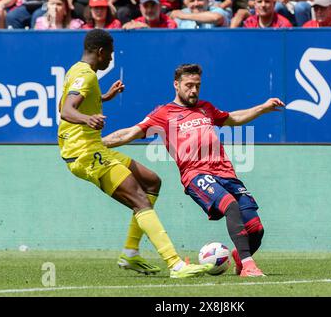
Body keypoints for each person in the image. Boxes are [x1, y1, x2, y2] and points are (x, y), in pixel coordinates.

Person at [102, 64, 286, 277]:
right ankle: (248, 266)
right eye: (189, 85)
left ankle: (238, 257)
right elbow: (129, 133)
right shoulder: (163, 114)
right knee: (230, 205)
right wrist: (99, 143)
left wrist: (262, 107)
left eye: (197, 86)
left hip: (226, 173)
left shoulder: (206, 107)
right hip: (195, 175)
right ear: (176, 85)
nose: (194, 91)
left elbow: (233, 118)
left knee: (255, 228)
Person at [58, 30, 212, 278]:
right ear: (100, 52)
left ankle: (130, 253)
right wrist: (88, 118)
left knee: (152, 181)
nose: (111, 58)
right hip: (84, 152)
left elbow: (66, 102)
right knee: (139, 200)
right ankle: (175, 264)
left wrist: (105, 97)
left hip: (91, 148)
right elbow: (66, 110)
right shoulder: (85, 76)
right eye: (110, 52)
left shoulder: (77, 70)